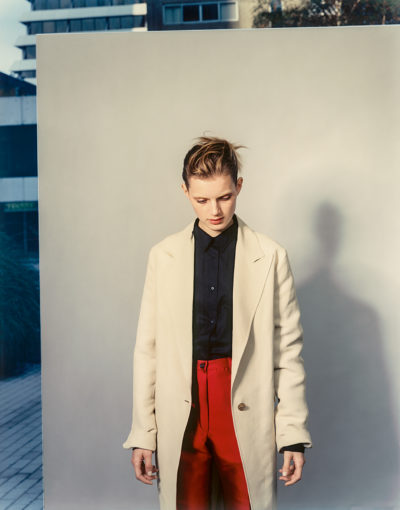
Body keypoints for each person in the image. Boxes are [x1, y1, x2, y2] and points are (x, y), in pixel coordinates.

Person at [122, 136, 313, 510]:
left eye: (224, 197)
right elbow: (148, 350)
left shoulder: (271, 256)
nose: (214, 210)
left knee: (246, 503)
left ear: (239, 186)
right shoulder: (163, 256)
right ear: (185, 192)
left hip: (244, 401)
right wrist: (143, 432)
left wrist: (292, 433)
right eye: (202, 199)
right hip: (182, 406)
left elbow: (288, 351)